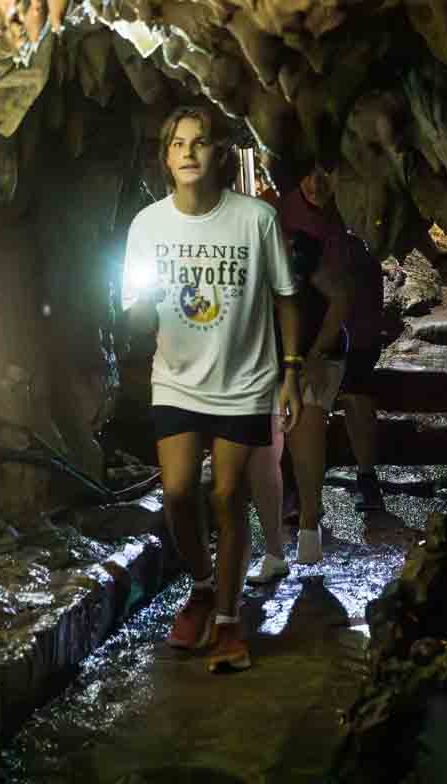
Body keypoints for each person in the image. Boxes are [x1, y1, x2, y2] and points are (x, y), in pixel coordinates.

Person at [121, 103, 303, 673]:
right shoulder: (148, 225)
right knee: (177, 492)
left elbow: (286, 296)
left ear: (217, 153)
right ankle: (201, 586)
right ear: (166, 157)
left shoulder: (255, 219)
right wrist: (139, 309)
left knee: (227, 497)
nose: (189, 153)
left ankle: (227, 622)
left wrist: (291, 371)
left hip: (245, 382)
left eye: (199, 143)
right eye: (178, 144)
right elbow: (133, 317)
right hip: (176, 380)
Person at [274, 162, 391, 516]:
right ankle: (302, 497)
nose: (317, 182)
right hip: (310, 318)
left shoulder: (357, 201)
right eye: (308, 173)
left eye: (327, 172)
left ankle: (366, 479)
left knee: (356, 392)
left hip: (354, 311)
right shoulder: (283, 214)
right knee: (305, 408)